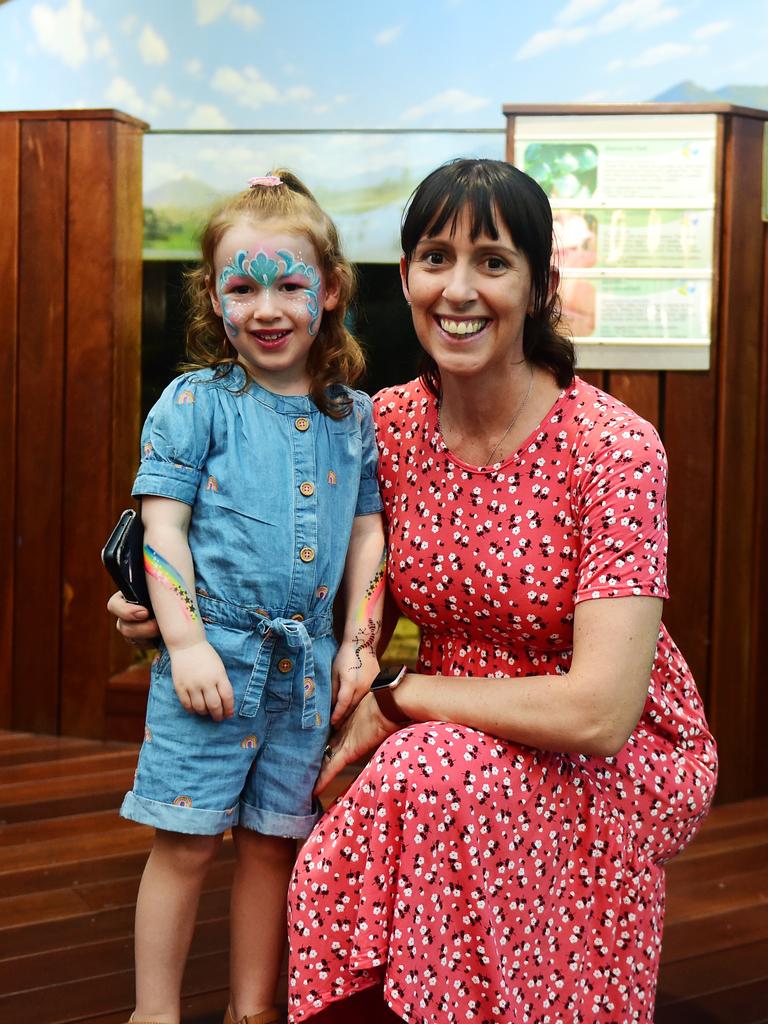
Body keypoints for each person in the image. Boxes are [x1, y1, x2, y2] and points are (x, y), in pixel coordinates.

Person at [112, 159, 718, 1024]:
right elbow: (295, 558)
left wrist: (398, 703)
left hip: (591, 748)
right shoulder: (379, 424)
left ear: (543, 285)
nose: (459, 288)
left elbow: (602, 712)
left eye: (494, 262)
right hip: (421, 736)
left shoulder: (614, 449)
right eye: (436, 258)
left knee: (433, 770)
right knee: (371, 795)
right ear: (404, 279)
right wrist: (167, 612)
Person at [117, 170, 386, 1024]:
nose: (266, 307)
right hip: (215, 661)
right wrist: (187, 643)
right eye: (242, 285)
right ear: (213, 296)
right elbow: (162, 531)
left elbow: (366, 536)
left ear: (331, 289)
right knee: (188, 845)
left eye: (289, 283)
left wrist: (358, 640)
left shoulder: (358, 417)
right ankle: (153, 1014)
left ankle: (252, 1009)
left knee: (275, 845)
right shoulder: (195, 404)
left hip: (304, 672)